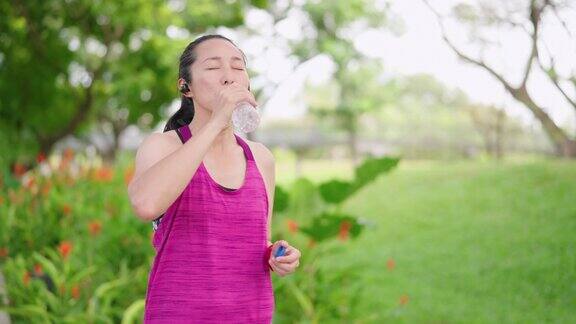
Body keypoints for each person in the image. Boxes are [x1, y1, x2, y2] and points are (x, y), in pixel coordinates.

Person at [127, 34, 301, 323]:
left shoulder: (261, 158)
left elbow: (257, 242)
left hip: (251, 315)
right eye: (212, 67)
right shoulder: (162, 146)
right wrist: (217, 122)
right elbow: (145, 204)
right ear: (186, 87)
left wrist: (277, 254)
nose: (228, 77)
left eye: (237, 66)